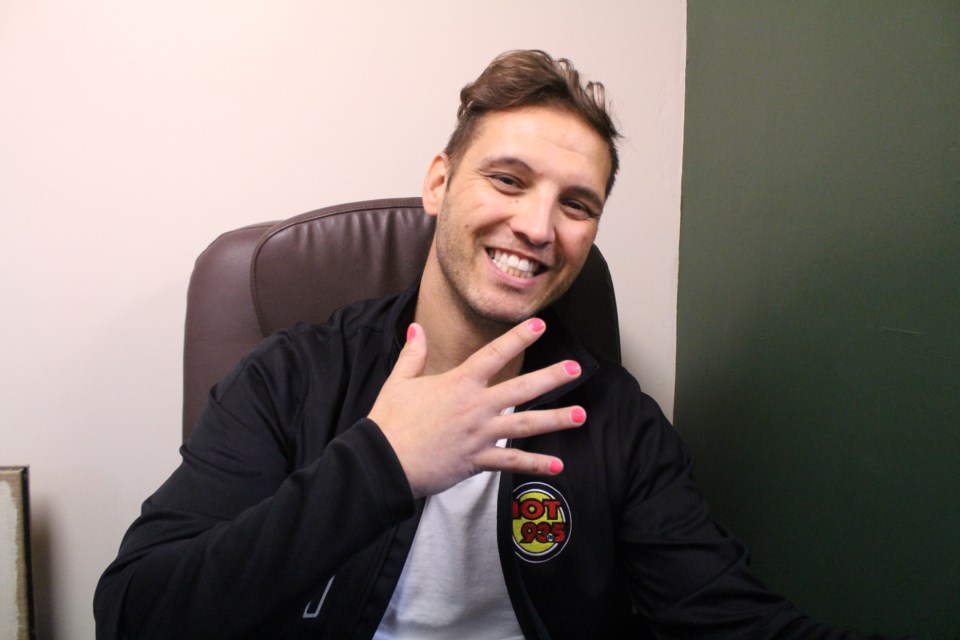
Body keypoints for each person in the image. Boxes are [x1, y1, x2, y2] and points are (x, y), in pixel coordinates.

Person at [95, 50, 904, 639]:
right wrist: (381, 463)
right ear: (440, 184)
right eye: (509, 181)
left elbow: (734, 622)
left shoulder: (615, 422)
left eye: (577, 204)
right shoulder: (292, 379)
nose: (538, 227)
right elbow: (137, 613)